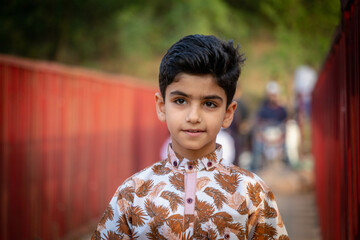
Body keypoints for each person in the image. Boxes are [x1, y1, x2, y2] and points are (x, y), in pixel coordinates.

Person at [92, 34, 288, 240]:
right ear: (161, 106)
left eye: (209, 104)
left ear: (228, 113)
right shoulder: (132, 193)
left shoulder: (252, 193)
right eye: (180, 100)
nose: (193, 117)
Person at [251, 81, 288, 171]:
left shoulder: (282, 110)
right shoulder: (263, 109)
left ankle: (288, 164)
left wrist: (281, 138)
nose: (273, 97)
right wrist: (261, 137)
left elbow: (286, 125)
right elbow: (258, 125)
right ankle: (255, 168)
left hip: (279, 137)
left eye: (274, 95)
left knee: (288, 146)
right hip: (265, 137)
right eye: (271, 95)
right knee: (257, 145)